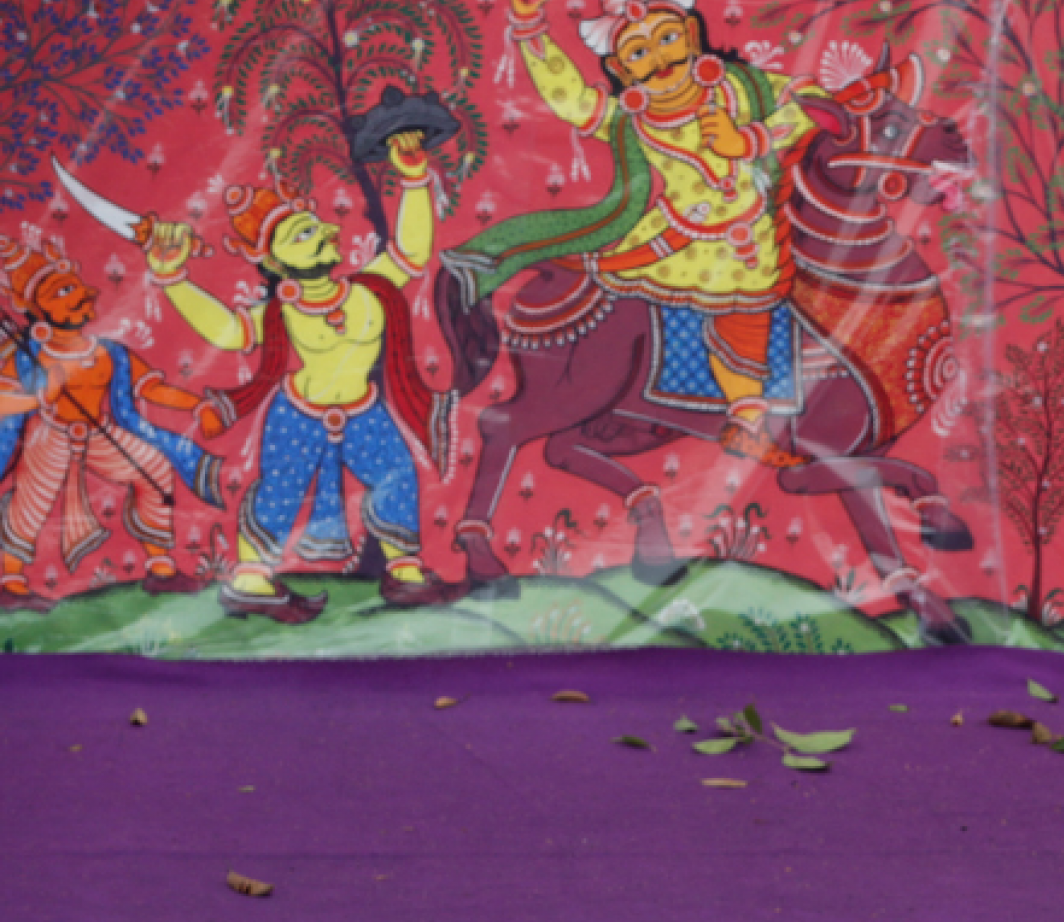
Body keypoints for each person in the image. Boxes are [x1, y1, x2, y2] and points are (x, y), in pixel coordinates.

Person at [465, 0, 819, 464]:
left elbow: (815, 100)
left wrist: (749, 140)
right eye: (638, 52)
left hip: (751, 234)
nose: (659, 59)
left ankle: (747, 420)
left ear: (692, 34)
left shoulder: (741, 86)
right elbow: (573, 102)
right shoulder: (633, 120)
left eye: (668, 39)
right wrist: (532, 32)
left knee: (750, 303)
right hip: (674, 239)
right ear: (618, 69)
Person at [145, 134, 451, 620]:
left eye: (316, 228)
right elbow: (226, 331)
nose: (322, 235)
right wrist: (172, 279)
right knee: (281, 490)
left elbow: (412, 253)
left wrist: (413, 177)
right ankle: (251, 580)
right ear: (274, 262)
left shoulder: (368, 288)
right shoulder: (280, 312)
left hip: (363, 409)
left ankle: (405, 572)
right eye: (301, 236)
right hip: (299, 414)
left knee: (396, 476)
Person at [0, 238, 219, 611]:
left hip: (99, 432)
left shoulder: (107, 351)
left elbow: (152, 388)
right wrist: (40, 397)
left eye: (76, 286)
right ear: (37, 310)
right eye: (62, 291)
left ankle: (161, 568)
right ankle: (11, 583)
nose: (81, 295)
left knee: (152, 470)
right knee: (30, 504)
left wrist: (198, 405)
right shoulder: (29, 355)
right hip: (49, 433)